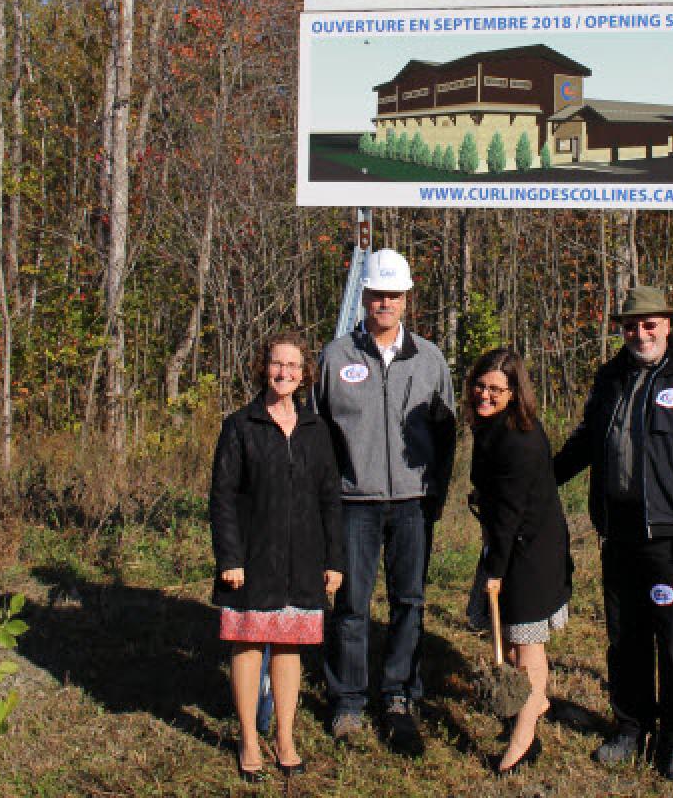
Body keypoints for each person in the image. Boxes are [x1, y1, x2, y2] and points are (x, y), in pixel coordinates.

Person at [553, 286, 673, 781]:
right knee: (625, 637)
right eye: (632, 325)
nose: (641, 333)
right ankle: (630, 727)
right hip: (619, 532)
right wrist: (540, 482)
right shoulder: (610, 377)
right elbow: (586, 440)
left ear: (668, 325)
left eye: (650, 324)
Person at [318, 249, 456, 757]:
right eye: (376, 293)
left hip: (413, 504)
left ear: (406, 300)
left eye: (393, 295)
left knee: (409, 602)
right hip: (353, 502)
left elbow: (447, 432)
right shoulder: (336, 358)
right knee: (351, 605)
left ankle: (399, 695)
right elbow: (319, 433)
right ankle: (349, 699)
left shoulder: (430, 358)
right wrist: (327, 498)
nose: (384, 302)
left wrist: (435, 492)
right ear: (365, 297)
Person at [209, 330, 345, 782]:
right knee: (249, 645)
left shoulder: (315, 429)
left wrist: (334, 560)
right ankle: (249, 738)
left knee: (289, 647)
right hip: (252, 558)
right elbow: (223, 498)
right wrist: (230, 557)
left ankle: (285, 737)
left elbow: (330, 498)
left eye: (292, 365)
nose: (283, 373)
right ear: (263, 368)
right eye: (276, 364)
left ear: (305, 373)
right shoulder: (240, 426)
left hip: (303, 559)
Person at [463, 348, 572, 774]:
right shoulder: (489, 428)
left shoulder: (519, 439)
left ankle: (523, 741)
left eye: (496, 389)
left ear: (514, 393)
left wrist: (494, 572)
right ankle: (534, 700)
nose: (485, 395)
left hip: (532, 553)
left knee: (527, 645)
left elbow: (510, 515)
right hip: (509, 541)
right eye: (481, 385)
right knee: (509, 637)